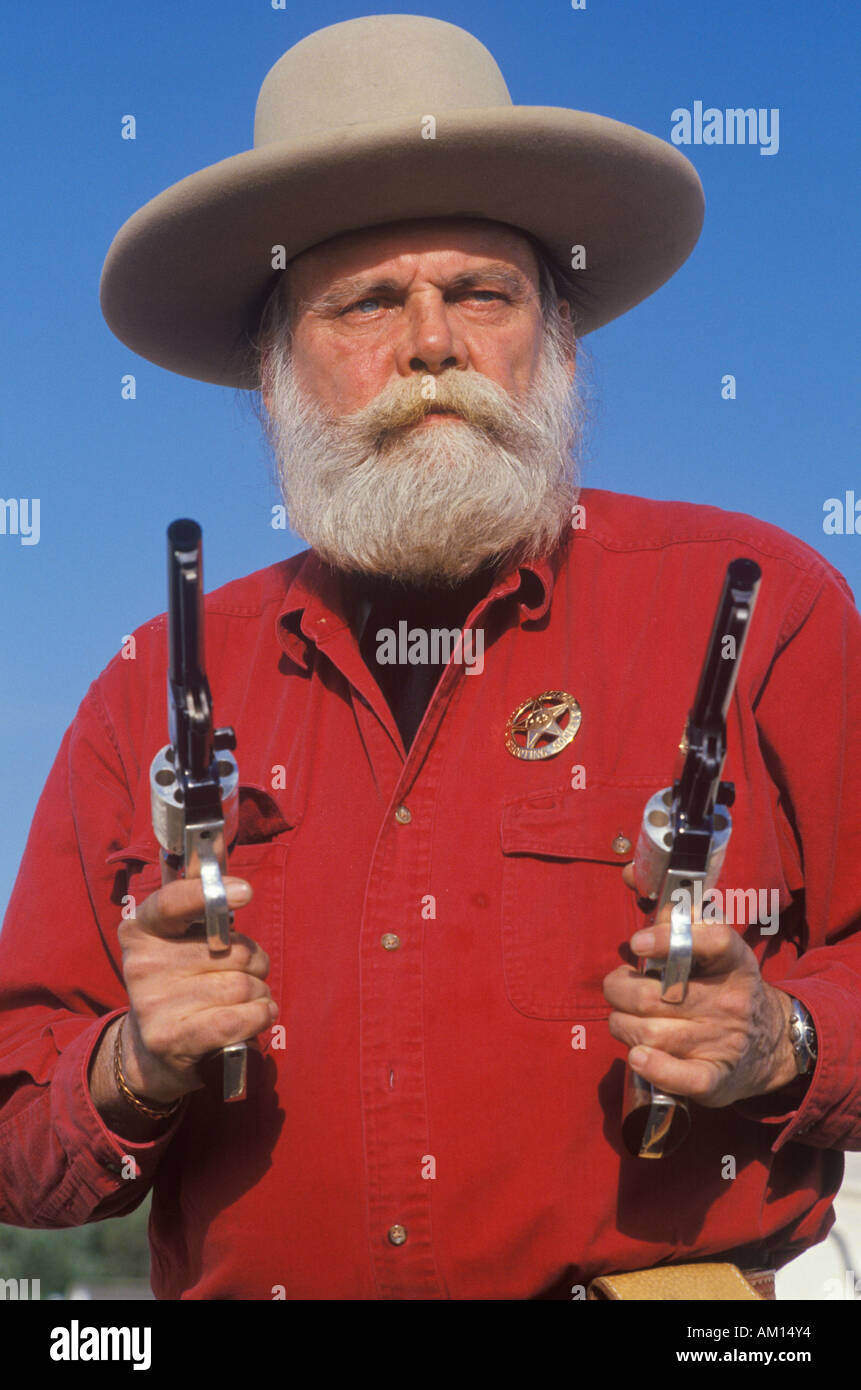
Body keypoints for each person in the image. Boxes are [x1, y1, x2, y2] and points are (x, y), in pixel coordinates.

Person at [0, 14, 859, 1302]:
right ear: (273, 368)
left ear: (555, 339)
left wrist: (782, 1041)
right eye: (363, 304)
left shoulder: (762, 604)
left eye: (480, 293)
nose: (431, 345)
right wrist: (138, 1063)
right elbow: (20, 1138)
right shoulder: (146, 687)